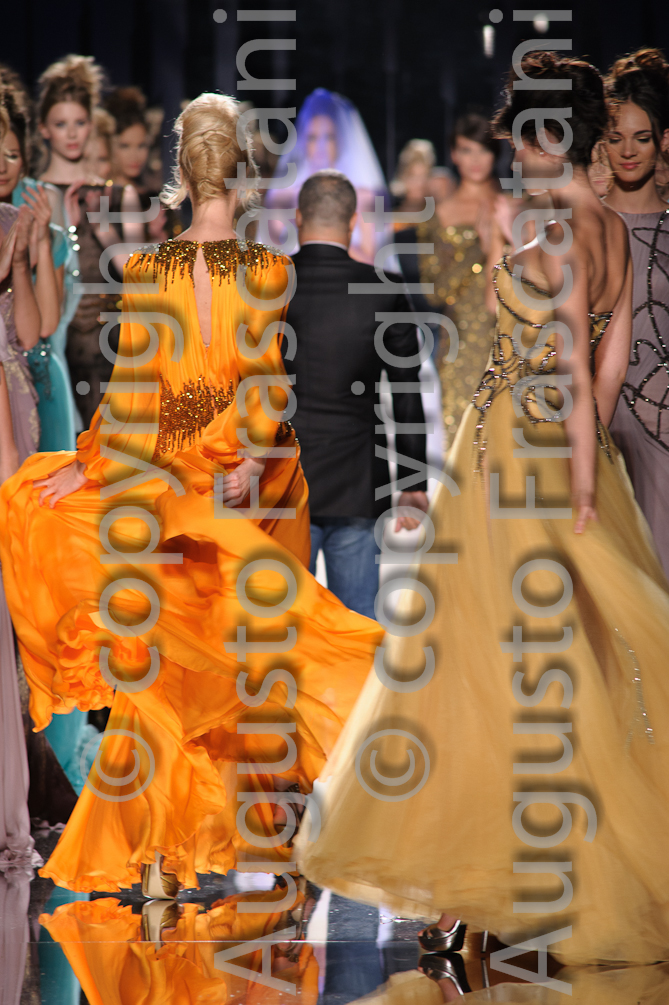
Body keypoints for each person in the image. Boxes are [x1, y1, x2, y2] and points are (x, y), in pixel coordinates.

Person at [297, 52, 669, 975]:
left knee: (484, 671)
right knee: (562, 670)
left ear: (545, 135)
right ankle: (515, 887)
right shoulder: (611, 230)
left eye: (522, 136)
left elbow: (575, 366)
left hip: (514, 464)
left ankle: (487, 890)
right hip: (558, 456)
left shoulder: (555, 225)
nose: (516, 152)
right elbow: (609, 360)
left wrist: (573, 486)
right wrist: (595, 470)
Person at [0, 92, 381, 898]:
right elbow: (264, 385)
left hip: (161, 485)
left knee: (164, 668)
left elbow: (133, 393)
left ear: (182, 170)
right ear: (242, 176)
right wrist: (249, 459)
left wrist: (87, 467)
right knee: (244, 660)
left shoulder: (146, 269)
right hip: (232, 489)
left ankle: (158, 858)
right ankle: (254, 832)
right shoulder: (267, 272)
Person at [287, 169, 428, 620]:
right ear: (352, 222)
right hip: (359, 483)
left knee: (284, 629)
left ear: (297, 217)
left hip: (282, 484)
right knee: (357, 628)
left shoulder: (267, 286)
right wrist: (413, 482)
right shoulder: (384, 290)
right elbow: (406, 391)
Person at [603, 49, 669, 577]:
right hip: (594, 423)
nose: (628, 151)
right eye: (616, 137)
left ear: (662, 140)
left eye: (641, 138)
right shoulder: (582, 228)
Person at [415, 114, 501, 453]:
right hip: (460, 343)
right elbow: (435, 291)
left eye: (483, 149)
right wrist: (480, 247)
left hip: (510, 336)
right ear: (453, 154)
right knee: (461, 448)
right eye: (466, 150)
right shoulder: (438, 214)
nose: (475, 160)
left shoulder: (515, 205)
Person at [264, 88, 389, 264]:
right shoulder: (282, 197)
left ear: (340, 140)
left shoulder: (364, 197)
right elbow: (272, 259)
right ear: (303, 141)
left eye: (329, 137)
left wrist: (322, 242)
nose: (320, 146)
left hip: (347, 278)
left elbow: (371, 263)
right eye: (312, 137)